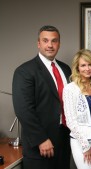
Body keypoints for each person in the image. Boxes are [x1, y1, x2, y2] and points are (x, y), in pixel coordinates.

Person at [12, 25, 71, 169]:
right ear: (38, 43)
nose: (50, 45)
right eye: (45, 41)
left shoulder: (65, 69)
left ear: (59, 44)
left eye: (54, 41)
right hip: (40, 146)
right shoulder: (24, 71)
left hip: (64, 142)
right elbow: (24, 110)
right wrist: (41, 139)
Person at [63, 49, 91, 169]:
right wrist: (85, 146)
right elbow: (70, 121)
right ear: (77, 68)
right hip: (81, 142)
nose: (87, 69)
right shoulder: (70, 89)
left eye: (90, 64)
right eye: (83, 65)